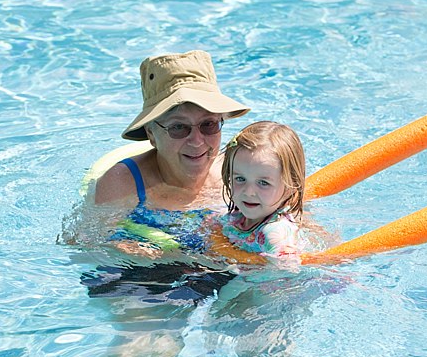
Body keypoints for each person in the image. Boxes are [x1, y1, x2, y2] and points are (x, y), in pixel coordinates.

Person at [93, 50, 251, 255]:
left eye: (208, 125)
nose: (197, 141)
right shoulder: (123, 183)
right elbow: (85, 242)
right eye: (178, 127)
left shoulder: (240, 172)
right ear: (151, 133)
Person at [217, 121, 310, 261]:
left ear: (290, 187)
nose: (248, 192)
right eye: (240, 179)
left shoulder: (274, 233)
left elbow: (287, 271)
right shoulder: (236, 216)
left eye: (263, 183)